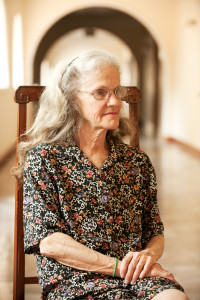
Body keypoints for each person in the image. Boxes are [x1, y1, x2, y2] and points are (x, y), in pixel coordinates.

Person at [14, 50, 188, 299]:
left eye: (117, 91)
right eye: (100, 92)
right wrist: (118, 268)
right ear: (71, 99)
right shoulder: (44, 160)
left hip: (136, 277)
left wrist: (148, 256)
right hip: (75, 281)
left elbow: (154, 231)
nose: (116, 102)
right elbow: (48, 241)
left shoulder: (136, 161)